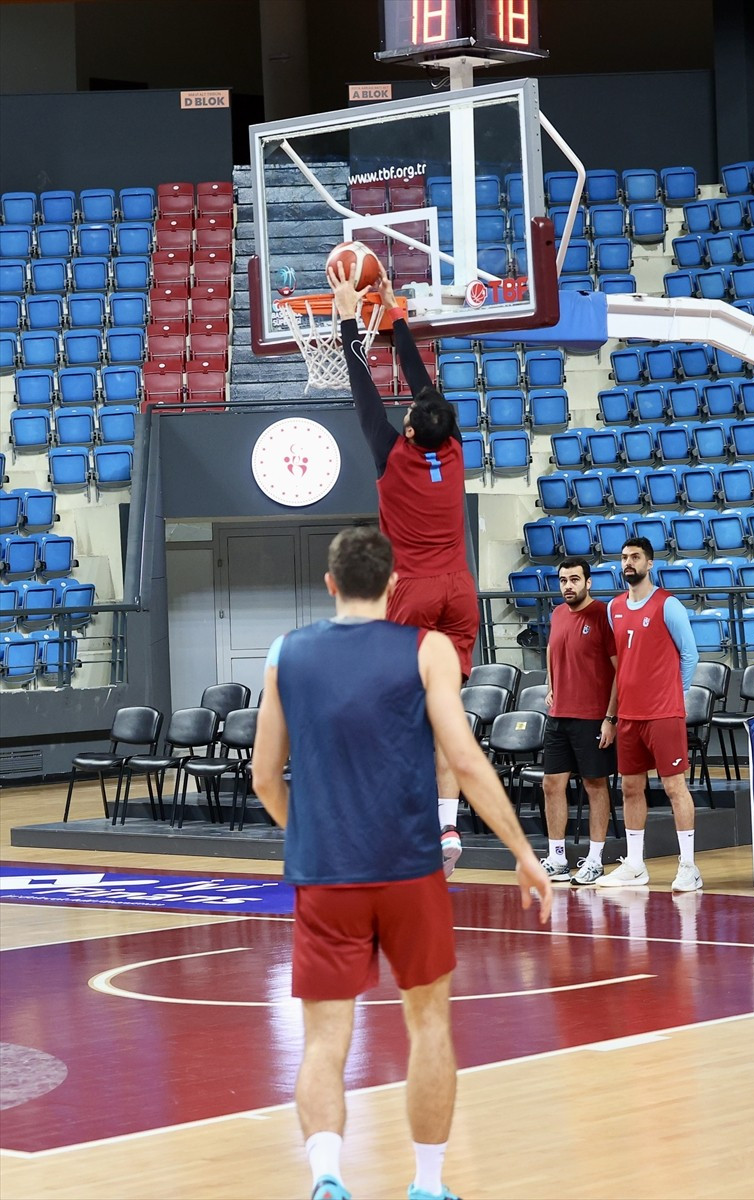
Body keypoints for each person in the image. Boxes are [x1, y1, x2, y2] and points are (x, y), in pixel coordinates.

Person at [253, 526, 552, 1200]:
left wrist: (309, 836)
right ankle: (426, 1185)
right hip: (409, 868)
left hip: (325, 874)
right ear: (393, 585)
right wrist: (522, 853)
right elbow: (466, 760)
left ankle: (328, 1176)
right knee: (428, 1026)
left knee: (325, 1038)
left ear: (329, 584)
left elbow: (264, 779)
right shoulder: (428, 649)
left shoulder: (285, 653)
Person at [331, 263, 478, 876]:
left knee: (393, 714)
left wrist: (346, 315)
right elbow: (425, 388)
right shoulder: (454, 447)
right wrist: (394, 314)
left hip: (413, 592)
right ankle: (447, 828)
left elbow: (364, 389)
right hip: (459, 593)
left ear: (411, 427)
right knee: (444, 711)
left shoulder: (393, 455)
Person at [598, 537, 702, 891]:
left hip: (663, 713)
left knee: (675, 787)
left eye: (636, 557)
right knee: (630, 787)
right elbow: (621, 664)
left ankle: (688, 865)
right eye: (624, 557)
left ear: (650, 563)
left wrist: (674, 692)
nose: (628, 562)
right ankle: (635, 864)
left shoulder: (668, 605)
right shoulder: (614, 607)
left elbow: (690, 655)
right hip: (629, 715)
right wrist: (612, 716)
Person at [540, 557, 619, 887]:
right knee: (551, 785)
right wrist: (550, 685)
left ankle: (596, 860)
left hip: (592, 718)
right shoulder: (557, 614)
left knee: (595, 786)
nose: (568, 586)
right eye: (563, 580)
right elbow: (551, 650)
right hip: (559, 717)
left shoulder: (602, 614)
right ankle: (557, 859)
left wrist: (610, 718)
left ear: (588, 582)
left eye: (574, 579)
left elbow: (619, 671)